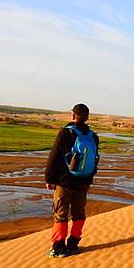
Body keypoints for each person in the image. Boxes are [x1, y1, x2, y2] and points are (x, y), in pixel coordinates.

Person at [45, 103, 99, 257]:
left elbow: (53, 157)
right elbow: (95, 159)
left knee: (61, 214)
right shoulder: (94, 136)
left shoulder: (65, 133)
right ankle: (74, 244)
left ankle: (59, 248)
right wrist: (88, 178)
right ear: (87, 117)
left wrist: (49, 178)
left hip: (65, 181)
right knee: (78, 213)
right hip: (84, 181)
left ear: (73, 115)